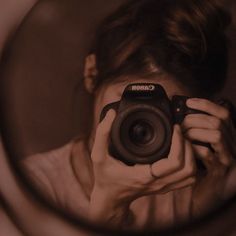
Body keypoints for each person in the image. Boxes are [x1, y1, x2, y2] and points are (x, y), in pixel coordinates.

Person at [20, 0, 236, 231]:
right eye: (129, 102)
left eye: (165, 108)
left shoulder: (209, 182)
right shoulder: (29, 187)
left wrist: (209, 207)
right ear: (91, 74)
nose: (144, 123)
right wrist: (108, 210)